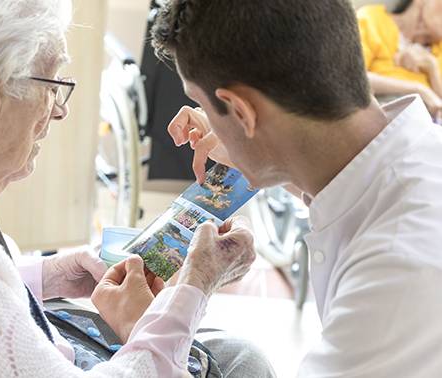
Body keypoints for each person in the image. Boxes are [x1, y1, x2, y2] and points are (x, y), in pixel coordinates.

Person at [0, 0, 276, 377]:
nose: (60, 109)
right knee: (242, 363)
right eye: (52, 85)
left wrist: (43, 276)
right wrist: (194, 287)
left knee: (233, 353)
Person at [153, 0, 442, 376]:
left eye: (200, 102)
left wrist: (155, 343)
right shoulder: (413, 160)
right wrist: (246, 148)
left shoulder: (397, 266)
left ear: (242, 112)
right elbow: (347, 191)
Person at [357, 0, 442, 117]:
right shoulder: (372, 19)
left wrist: (433, 70)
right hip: (378, 114)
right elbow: (351, 77)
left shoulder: (439, 49)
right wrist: (418, 89)